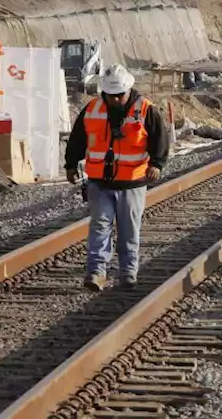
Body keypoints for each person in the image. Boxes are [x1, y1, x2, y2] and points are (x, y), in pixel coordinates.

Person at [64, 65, 170, 291]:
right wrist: (71, 164)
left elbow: (160, 139)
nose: (115, 100)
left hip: (132, 182)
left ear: (128, 90)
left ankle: (128, 272)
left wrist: (157, 164)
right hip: (99, 182)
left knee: (129, 229)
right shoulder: (93, 109)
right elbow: (77, 139)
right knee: (100, 226)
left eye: (119, 96)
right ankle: (96, 272)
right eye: (111, 96)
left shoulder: (146, 110)